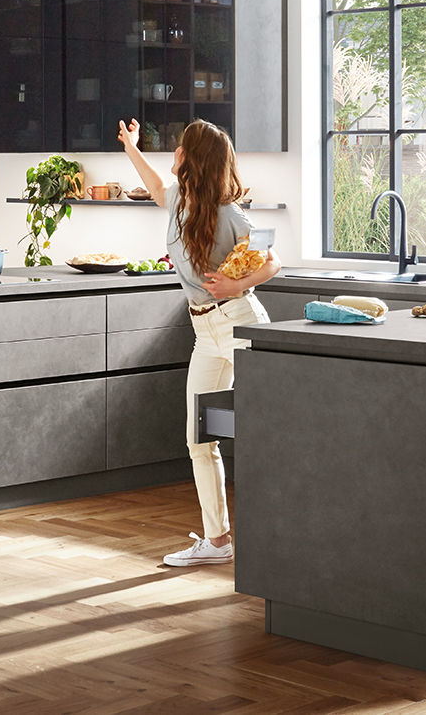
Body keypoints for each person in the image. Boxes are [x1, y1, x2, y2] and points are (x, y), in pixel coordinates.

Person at [117, 118, 281, 567]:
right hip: (204, 332)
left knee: (266, 430)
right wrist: (131, 147)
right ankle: (218, 541)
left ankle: (282, 536)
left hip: (240, 322)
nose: (173, 152)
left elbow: (273, 262)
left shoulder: (231, 214)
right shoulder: (178, 201)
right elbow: (153, 183)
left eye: (178, 146)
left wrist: (235, 285)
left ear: (192, 157)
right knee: (199, 438)